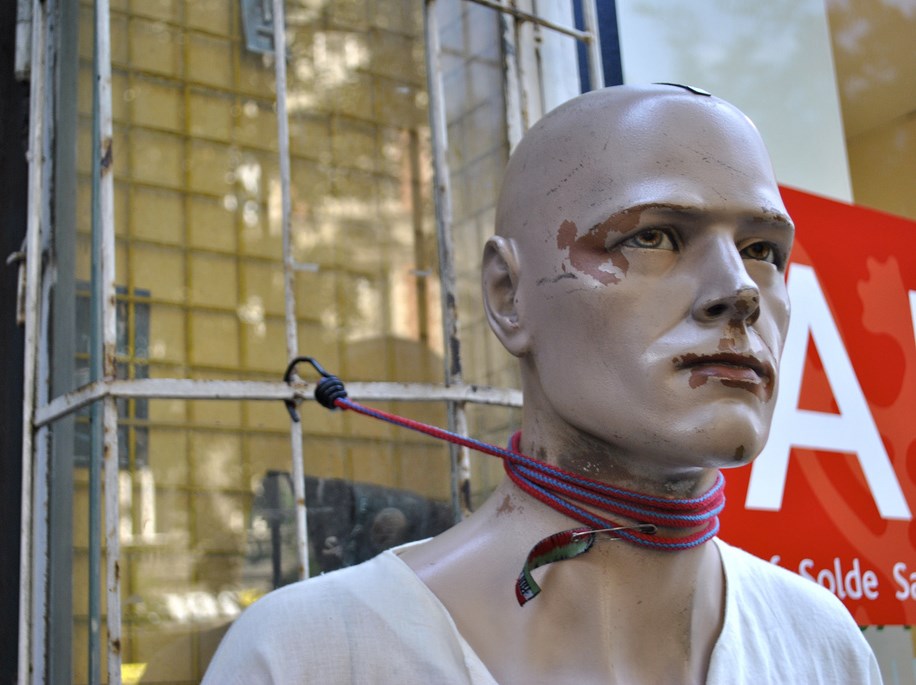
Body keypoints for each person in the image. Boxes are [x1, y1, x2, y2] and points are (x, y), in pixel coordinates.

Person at [202, 84, 882, 684]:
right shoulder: (314, 657)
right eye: (653, 237)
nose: (739, 290)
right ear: (508, 294)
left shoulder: (823, 649)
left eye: (762, 250)